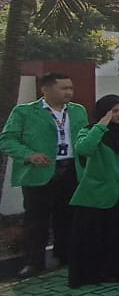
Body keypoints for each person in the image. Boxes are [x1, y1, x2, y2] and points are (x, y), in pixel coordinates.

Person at [1, 72, 87, 278]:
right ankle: (33, 262)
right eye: (63, 88)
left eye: (70, 88)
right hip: (40, 171)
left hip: (71, 170)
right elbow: (7, 140)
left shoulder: (77, 111)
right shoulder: (25, 112)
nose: (69, 92)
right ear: (45, 90)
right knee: (36, 219)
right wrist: (29, 155)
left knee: (68, 216)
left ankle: (65, 256)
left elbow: (85, 136)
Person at [67, 95, 119, 287]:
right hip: (99, 190)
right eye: (115, 111)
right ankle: (94, 273)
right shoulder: (89, 131)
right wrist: (101, 125)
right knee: (95, 233)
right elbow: (85, 149)